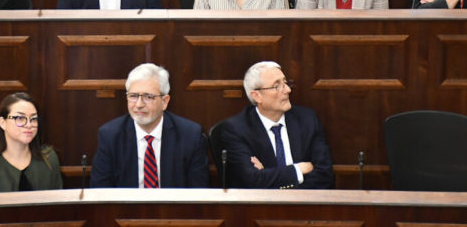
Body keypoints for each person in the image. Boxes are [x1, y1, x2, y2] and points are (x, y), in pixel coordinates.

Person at [91, 63, 209, 188]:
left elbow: (198, 193)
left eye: (148, 97)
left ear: (164, 102)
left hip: (173, 207)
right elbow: (100, 192)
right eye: (133, 96)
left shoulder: (190, 135)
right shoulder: (110, 136)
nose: (139, 104)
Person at [220, 61, 334, 189]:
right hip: (261, 207)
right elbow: (251, 181)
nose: (287, 90)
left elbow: (325, 175)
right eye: (277, 86)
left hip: (305, 204)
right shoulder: (235, 129)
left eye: (285, 83)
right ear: (257, 96)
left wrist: (269, 177)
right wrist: (299, 169)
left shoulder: (307, 120)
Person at [0, 92, 62, 193]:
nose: (29, 125)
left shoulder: (48, 158)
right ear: (3, 123)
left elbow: (59, 206)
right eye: (20, 118)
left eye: (33, 119)